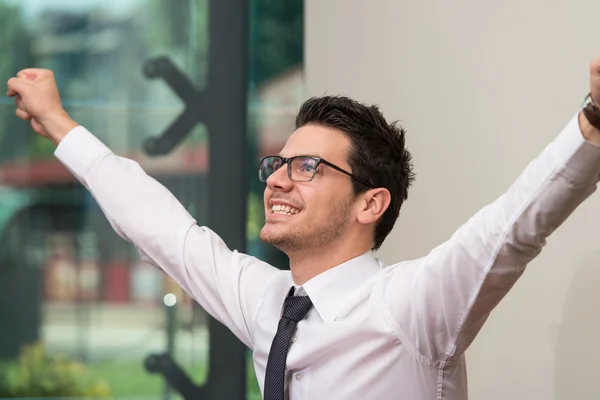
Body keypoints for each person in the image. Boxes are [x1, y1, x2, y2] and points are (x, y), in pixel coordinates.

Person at [6, 59, 600, 400]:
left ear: (372, 204)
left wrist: (592, 119)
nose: (278, 181)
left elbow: (512, 227)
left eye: (308, 167)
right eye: (278, 165)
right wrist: (60, 125)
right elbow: (160, 227)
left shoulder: (411, 306)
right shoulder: (266, 302)